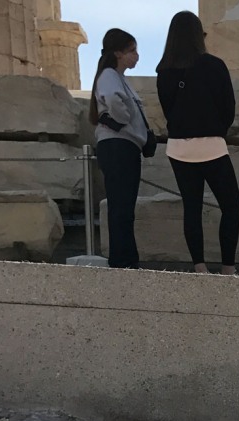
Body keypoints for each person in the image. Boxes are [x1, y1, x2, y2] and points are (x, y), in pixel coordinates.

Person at [156, 11, 239, 275]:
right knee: (231, 206)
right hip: (211, 145)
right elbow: (229, 107)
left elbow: (167, 110)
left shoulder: (164, 71)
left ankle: (200, 266)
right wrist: (216, 129)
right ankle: (228, 266)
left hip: (179, 147)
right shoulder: (214, 65)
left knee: (191, 208)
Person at [90, 28, 146, 269]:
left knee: (125, 207)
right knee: (121, 207)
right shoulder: (110, 75)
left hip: (125, 145)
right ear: (118, 53)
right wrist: (123, 121)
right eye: (131, 51)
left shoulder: (118, 77)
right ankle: (122, 261)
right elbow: (114, 101)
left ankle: (127, 258)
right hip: (117, 145)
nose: (136, 56)